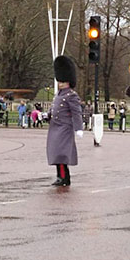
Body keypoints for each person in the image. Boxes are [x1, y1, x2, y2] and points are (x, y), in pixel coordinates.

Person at [46, 56, 83, 187]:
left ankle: (64, 177)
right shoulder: (58, 95)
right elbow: (53, 109)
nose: (60, 83)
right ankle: (60, 176)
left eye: (62, 81)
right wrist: (46, 115)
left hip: (64, 128)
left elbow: (76, 112)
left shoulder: (71, 95)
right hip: (55, 127)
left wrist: (79, 128)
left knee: (61, 153)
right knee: (55, 152)